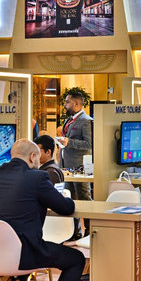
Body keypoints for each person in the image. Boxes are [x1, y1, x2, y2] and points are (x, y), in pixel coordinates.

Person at [0, 139, 85, 281]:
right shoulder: (36, 177)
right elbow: (66, 207)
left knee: (21, 242)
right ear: (32, 157)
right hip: (22, 254)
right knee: (76, 259)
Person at [58, 92, 93, 239]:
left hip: (80, 167)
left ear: (77, 103)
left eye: (67, 102)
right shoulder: (69, 120)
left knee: (84, 198)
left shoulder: (86, 121)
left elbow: (89, 144)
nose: (65, 105)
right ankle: (75, 232)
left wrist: (69, 142)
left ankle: (90, 231)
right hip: (67, 167)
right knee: (69, 199)